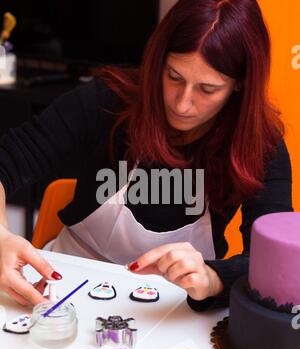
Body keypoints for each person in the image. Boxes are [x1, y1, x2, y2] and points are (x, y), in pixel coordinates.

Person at [0, 0, 293, 309]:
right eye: (174, 76)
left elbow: (274, 263)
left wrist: (212, 278)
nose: (182, 104)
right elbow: (7, 160)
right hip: (70, 284)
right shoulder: (108, 101)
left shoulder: (260, 145)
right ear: (159, 59)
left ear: (239, 86)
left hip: (178, 305)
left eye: (207, 90)